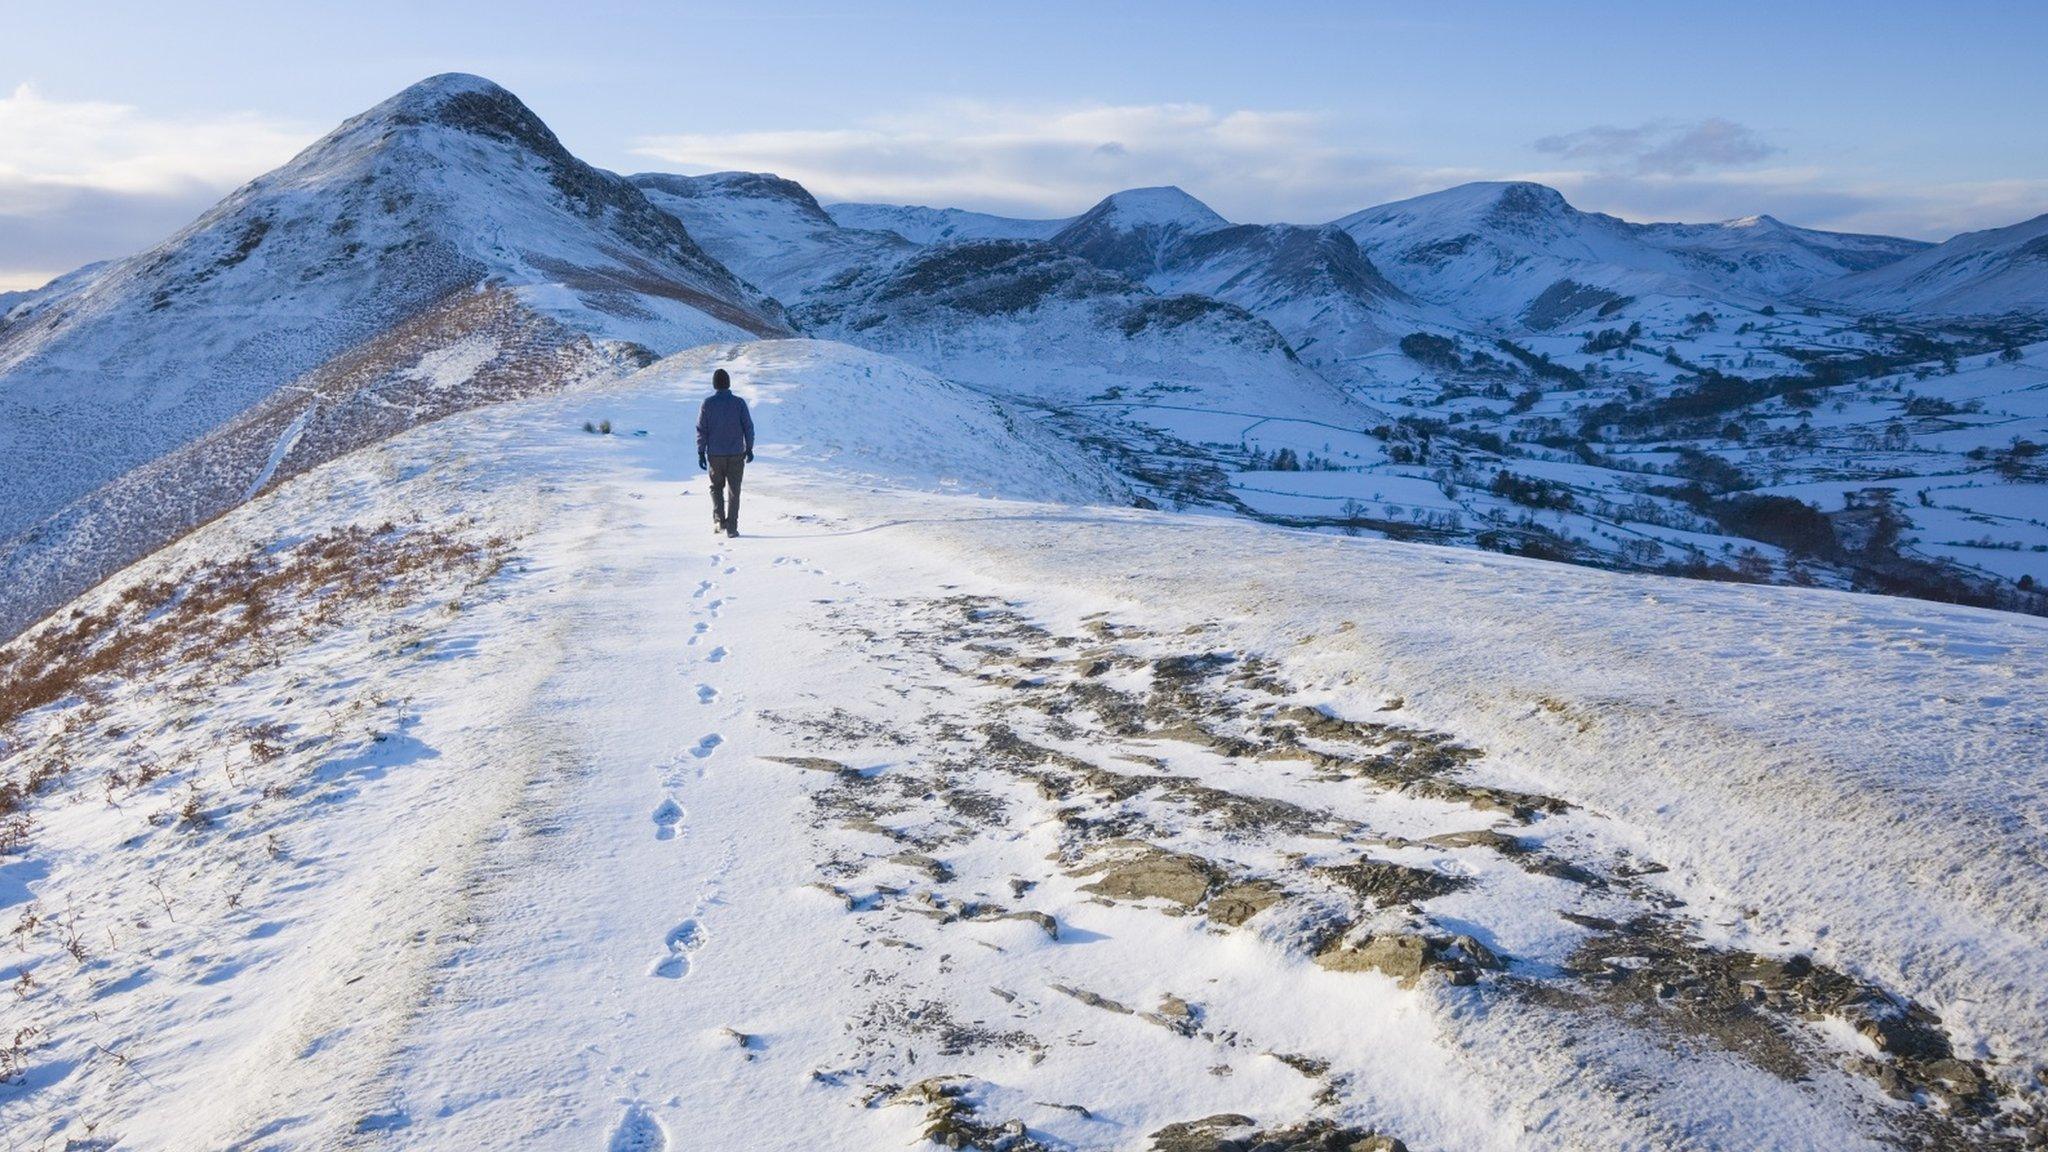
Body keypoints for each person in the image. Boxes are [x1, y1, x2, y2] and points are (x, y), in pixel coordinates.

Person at [696, 367, 755, 537]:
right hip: (737, 453)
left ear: (714, 385)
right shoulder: (739, 403)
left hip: (715, 455)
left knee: (716, 488)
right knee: (734, 491)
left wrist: (701, 451)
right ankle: (732, 528)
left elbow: (701, 430)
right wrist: (749, 448)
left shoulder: (707, 404)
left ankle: (719, 520)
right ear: (728, 383)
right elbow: (748, 427)